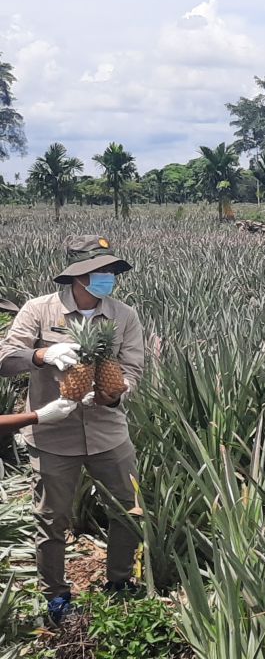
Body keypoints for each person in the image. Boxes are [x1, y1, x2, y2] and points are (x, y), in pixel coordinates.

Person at [0, 236, 145, 624]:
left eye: (111, 271)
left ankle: (119, 582)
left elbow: (132, 370)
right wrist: (41, 354)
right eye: (100, 271)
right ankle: (56, 596)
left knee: (128, 510)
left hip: (108, 432)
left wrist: (115, 393)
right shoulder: (38, 310)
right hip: (52, 434)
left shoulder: (124, 315)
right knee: (52, 518)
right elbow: (5, 359)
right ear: (78, 275)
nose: (108, 278)